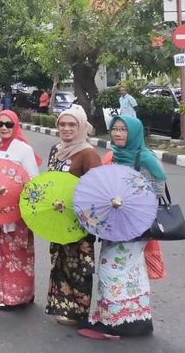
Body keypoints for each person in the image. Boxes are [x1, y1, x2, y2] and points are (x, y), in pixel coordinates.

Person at [78, 115, 165, 340]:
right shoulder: (112, 156)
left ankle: (115, 323)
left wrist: (125, 200)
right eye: (114, 129)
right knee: (130, 272)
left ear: (134, 133)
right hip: (112, 225)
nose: (117, 133)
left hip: (136, 227)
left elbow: (154, 193)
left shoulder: (145, 158)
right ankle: (132, 321)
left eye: (123, 130)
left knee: (111, 269)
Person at [45, 106, 102, 325]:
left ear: (81, 127)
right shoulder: (56, 149)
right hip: (58, 219)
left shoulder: (87, 153)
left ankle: (78, 311)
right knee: (60, 263)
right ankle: (63, 306)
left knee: (79, 266)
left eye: (72, 125)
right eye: (62, 124)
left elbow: (97, 190)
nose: (66, 129)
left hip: (79, 221)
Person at [0, 110, 41, 310]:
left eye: (8, 124)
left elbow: (33, 181)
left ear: (16, 126)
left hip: (19, 211)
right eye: (0, 124)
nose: (3, 127)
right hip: (1, 210)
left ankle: (19, 296)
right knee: (4, 252)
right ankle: (9, 294)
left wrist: (12, 189)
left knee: (20, 252)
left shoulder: (23, 149)